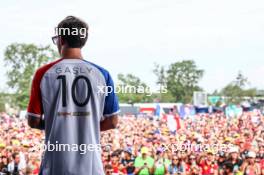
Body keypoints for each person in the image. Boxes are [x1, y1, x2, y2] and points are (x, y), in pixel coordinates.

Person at [27, 16, 119, 175]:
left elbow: (33, 120)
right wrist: (84, 124)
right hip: (91, 166)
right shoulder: (103, 74)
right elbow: (112, 121)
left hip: (55, 165)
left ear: (61, 39)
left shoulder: (43, 73)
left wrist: (58, 122)